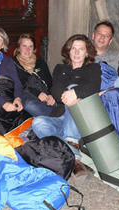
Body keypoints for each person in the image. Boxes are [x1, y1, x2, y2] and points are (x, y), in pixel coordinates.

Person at [32, 34, 101, 177]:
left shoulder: (93, 68)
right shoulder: (60, 68)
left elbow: (94, 87)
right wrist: (70, 94)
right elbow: (55, 91)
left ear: (87, 52)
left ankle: (72, 155)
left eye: (81, 49)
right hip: (61, 116)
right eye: (73, 48)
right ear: (68, 51)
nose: (76, 52)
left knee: (73, 88)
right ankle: (70, 151)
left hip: (82, 119)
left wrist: (74, 92)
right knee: (38, 122)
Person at [13, 33, 55, 116]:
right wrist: (37, 94)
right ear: (18, 48)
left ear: (34, 49)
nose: (27, 50)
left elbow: (49, 82)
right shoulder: (12, 64)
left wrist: (50, 95)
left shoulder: (40, 63)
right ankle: (56, 117)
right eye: (24, 46)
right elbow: (19, 85)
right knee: (30, 105)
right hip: (25, 95)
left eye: (30, 46)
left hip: (45, 95)